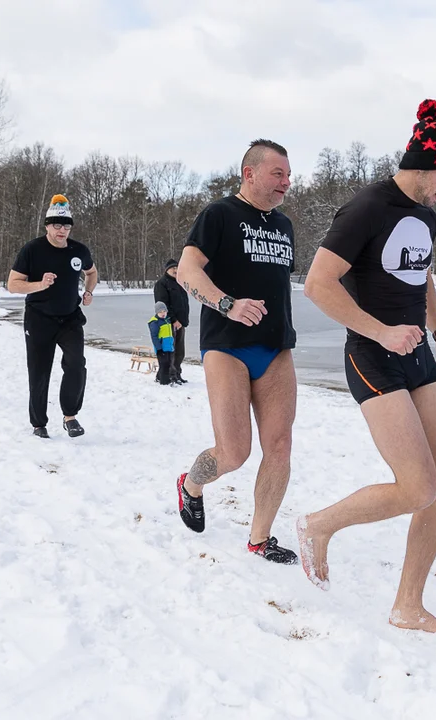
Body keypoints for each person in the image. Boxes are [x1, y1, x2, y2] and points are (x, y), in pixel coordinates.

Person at [295, 99, 436, 634]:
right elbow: (318, 285)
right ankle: (318, 526)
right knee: (418, 486)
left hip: (416, 354)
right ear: (422, 165)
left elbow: (423, 275)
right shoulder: (366, 208)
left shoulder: (425, 215)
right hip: (372, 356)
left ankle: (407, 604)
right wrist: (381, 331)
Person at [174, 138, 298, 564]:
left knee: (279, 446)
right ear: (250, 173)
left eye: (287, 173)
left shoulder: (284, 226)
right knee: (234, 453)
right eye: (277, 173)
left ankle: (260, 538)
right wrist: (227, 303)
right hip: (227, 347)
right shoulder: (220, 214)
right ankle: (191, 484)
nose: (287, 181)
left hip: (276, 348)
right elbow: (187, 270)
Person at [7, 194, 99, 439]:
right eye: (57, 225)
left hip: (70, 317)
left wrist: (88, 291)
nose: (62, 230)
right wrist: (39, 284)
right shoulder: (32, 249)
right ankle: (39, 424)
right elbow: (13, 285)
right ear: (47, 226)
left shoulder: (79, 250)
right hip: (39, 319)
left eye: (66, 225)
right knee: (39, 371)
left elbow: (92, 272)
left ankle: (70, 416)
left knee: (76, 364)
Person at [153, 258, 189, 384]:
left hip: (180, 323)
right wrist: (173, 319)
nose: (175, 270)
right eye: (173, 268)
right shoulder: (161, 284)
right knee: (170, 351)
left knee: (180, 352)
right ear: (167, 270)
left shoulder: (180, 283)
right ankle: (169, 375)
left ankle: (177, 373)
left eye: (177, 268)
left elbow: (183, 303)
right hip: (168, 323)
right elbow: (162, 304)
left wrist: (183, 320)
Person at [148, 301, 175, 385]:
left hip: (168, 346)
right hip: (161, 347)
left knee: (168, 363)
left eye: (164, 311)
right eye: (160, 312)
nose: (163, 313)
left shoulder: (167, 320)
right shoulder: (155, 322)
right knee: (164, 364)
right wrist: (159, 348)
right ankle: (164, 381)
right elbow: (154, 337)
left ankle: (159, 377)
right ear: (157, 312)